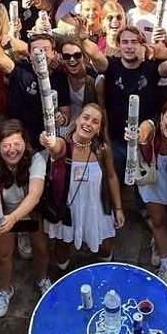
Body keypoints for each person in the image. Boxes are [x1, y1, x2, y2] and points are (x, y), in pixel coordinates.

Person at [0, 120, 51, 316]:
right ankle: (4, 290)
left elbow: (34, 195)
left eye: (17, 144)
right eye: (6, 145)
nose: (12, 150)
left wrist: (15, 218)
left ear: (25, 143)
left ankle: (42, 279)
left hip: (28, 213)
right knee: (3, 255)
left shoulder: (36, 159)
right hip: (2, 213)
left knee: (41, 249)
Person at [40, 103, 124, 269]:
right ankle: (63, 273)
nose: (88, 123)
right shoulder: (64, 145)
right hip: (67, 208)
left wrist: (118, 208)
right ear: (77, 120)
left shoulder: (102, 150)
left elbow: (111, 176)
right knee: (62, 247)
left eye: (95, 122)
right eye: (86, 117)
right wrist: (49, 141)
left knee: (105, 247)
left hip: (95, 207)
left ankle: (106, 270)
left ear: (99, 129)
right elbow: (56, 146)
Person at [98, 26, 167, 181]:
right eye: (125, 42)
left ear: (141, 45)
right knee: (116, 179)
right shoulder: (111, 65)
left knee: (144, 187)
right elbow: (94, 54)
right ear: (118, 45)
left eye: (134, 42)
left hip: (145, 140)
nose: (129, 46)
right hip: (116, 140)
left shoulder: (151, 67)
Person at [132, 98, 167, 283]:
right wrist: (137, 135)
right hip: (152, 181)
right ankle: (166, 263)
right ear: (162, 117)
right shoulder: (152, 128)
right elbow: (143, 130)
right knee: (158, 221)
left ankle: (161, 235)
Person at [7, 33, 71, 150]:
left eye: (45, 49)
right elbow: (1, 60)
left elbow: (66, 115)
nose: (41, 54)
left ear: (53, 53)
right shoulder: (19, 70)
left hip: (46, 143)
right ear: (30, 54)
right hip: (18, 141)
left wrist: (61, 119)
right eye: (36, 50)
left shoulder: (60, 78)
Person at [58, 38, 98, 138]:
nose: (72, 60)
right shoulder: (60, 77)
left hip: (87, 129)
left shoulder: (94, 78)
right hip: (65, 129)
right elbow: (65, 114)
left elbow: (100, 111)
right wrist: (61, 119)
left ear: (84, 56)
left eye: (77, 55)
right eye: (67, 56)